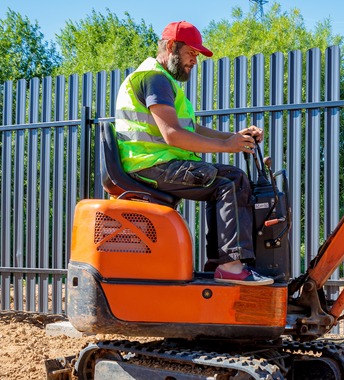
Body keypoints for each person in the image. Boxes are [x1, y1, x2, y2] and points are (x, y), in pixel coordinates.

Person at [114, 20, 273, 286]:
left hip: (155, 163)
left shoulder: (160, 80)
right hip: (152, 165)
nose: (195, 61)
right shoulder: (155, 79)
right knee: (230, 181)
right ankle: (231, 266)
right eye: (191, 53)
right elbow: (173, 135)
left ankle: (219, 264)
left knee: (228, 179)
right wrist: (226, 147)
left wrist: (233, 137)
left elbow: (190, 127)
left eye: (197, 56)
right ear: (171, 47)